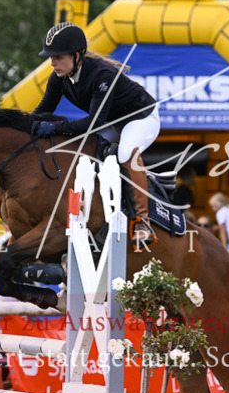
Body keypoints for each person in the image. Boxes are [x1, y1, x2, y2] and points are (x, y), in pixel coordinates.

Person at [31, 22, 161, 250]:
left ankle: (142, 221)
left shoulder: (102, 74)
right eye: (50, 57)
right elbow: (41, 112)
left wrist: (55, 127)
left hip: (141, 118)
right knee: (85, 153)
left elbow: (94, 123)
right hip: (112, 121)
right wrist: (20, 125)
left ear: (77, 55)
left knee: (125, 153)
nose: (52, 63)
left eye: (58, 56)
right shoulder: (58, 77)